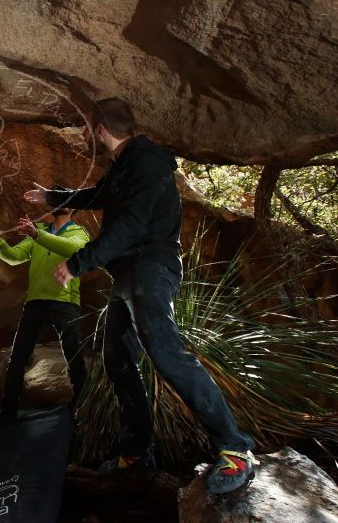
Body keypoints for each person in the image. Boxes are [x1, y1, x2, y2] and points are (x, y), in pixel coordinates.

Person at [26, 97, 256, 494]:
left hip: (151, 268)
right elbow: (98, 196)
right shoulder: (125, 166)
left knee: (165, 352)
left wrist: (79, 263)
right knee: (116, 356)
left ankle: (235, 449)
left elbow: (131, 225)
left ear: (100, 130)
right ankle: (136, 452)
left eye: (86, 130)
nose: (83, 136)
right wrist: (52, 196)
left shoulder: (147, 164)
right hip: (130, 273)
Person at [0, 205, 90, 427]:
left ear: (74, 208)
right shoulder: (37, 229)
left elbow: (72, 250)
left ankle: (83, 414)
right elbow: (15, 256)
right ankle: (8, 414)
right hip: (36, 302)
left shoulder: (78, 233)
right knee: (18, 357)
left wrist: (38, 234)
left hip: (65, 303)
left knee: (74, 358)